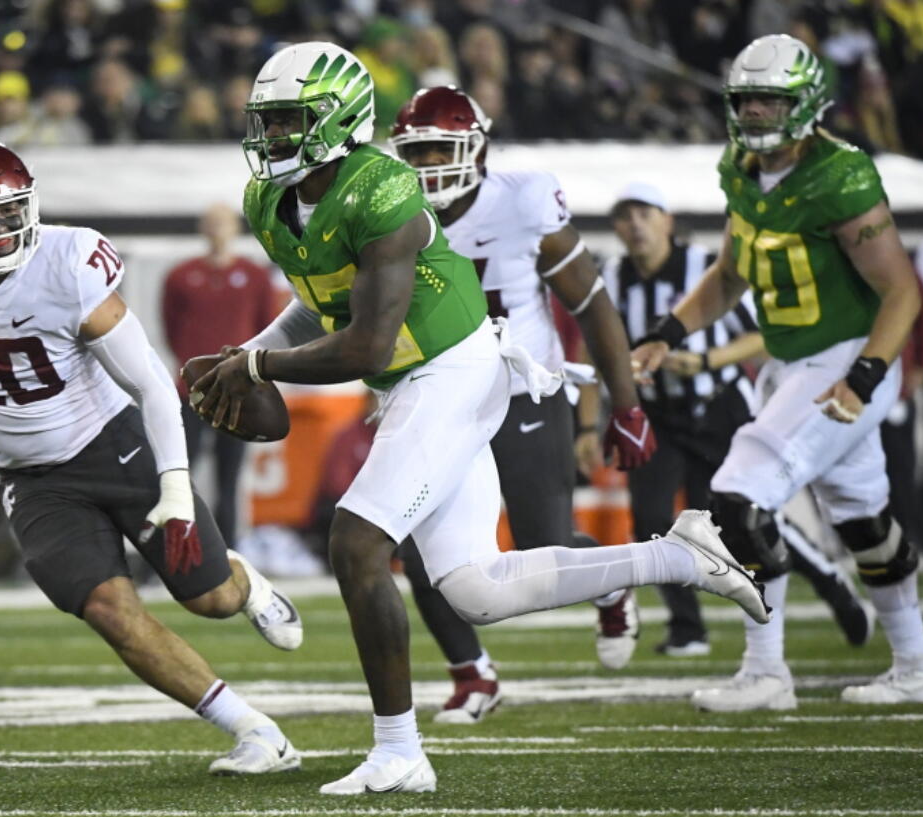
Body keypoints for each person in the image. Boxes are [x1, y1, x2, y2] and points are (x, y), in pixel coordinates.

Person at [192, 41, 769, 795]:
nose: (270, 138)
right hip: (411, 379)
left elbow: (364, 340)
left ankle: (399, 749)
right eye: (265, 123)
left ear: (338, 119)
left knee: (358, 541)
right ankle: (680, 556)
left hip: (454, 368)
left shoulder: (385, 190)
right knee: (475, 589)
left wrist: (256, 367)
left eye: (289, 121)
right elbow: (322, 302)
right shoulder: (269, 200)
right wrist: (254, 347)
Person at [0, 137, 304, 775]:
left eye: (10, 212)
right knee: (108, 608)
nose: (0, 231)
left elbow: (153, 383)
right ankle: (254, 730)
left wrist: (177, 491)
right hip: (27, 474)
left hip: (108, 440)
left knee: (208, 598)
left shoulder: (67, 262)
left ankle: (241, 580)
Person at [632, 34, 923, 710]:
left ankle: (767, 671)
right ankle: (916, 662)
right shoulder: (740, 166)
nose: (758, 114)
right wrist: (666, 331)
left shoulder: (840, 176)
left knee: (737, 497)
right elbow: (731, 274)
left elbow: (903, 290)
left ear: (807, 102)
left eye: (771, 100)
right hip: (790, 359)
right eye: (748, 101)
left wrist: (864, 375)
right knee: (864, 522)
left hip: (842, 359)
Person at [385, 85, 648, 726]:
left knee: (542, 545)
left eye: (438, 151)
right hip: (440, 397)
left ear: (476, 149)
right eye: (414, 154)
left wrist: (626, 404)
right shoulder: (386, 211)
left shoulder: (523, 200)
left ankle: (611, 581)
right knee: (418, 549)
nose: (425, 168)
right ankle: (472, 674)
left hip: (525, 388)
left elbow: (589, 302)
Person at [605, 180, 872, 656]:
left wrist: (707, 361)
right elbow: (595, 345)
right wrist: (592, 421)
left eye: (645, 213)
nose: (635, 225)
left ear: (667, 220)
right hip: (659, 414)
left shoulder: (703, 267)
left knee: (743, 517)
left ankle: (832, 585)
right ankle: (688, 628)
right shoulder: (612, 274)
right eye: (625, 216)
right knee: (650, 519)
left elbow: (764, 337)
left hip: (719, 407)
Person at [162, 202, 276, 547]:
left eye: (222, 223)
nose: (216, 229)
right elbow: (171, 327)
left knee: (231, 474)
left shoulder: (254, 276)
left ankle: (229, 548)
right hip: (192, 389)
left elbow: (266, 327)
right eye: (210, 222)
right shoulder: (180, 276)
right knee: (183, 469)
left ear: (235, 228)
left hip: (238, 390)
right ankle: (182, 542)